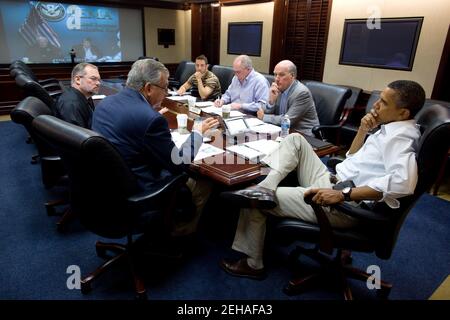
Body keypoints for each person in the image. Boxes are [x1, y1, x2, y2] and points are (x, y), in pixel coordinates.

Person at [219, 80, 426, 279]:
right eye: (379, 99)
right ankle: (265, 186)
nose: (376, 105)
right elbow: (351, 159)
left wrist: (343, 194)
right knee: (295, 140)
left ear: (403, 112)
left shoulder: (399, 138)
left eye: (384, 102)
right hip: (334, 180)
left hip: (344, 205)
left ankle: (253, 264)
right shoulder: (391, 127)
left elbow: (404, 183)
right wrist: (363, 130)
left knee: (255, 202)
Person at [92, 59, 219, 236]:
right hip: (139, 192)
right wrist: (197, 133)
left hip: (106, 190)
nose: (166, 93)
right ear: (149, 88)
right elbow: (179, 163)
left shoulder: (105, 103)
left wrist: (149, 115)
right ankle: (180, 233)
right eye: (164, 88)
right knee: (204, 182)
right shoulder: (150, 119)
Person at [256, 60, 319, 136]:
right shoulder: (277, 88)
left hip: (302, 135)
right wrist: (271, 102)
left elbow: (288, 120)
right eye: (275, 74)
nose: (276, 79)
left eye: (281, 75)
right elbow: (263, 111)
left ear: (292, 76)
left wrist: (264, 117)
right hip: (282, 131)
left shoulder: (301, 93)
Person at [53, 63, 100, 129]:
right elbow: (77, 137)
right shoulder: (71, 104)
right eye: (93, 78)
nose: (98, 83)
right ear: (78, 79)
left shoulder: (86, 96)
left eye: (98, 80)